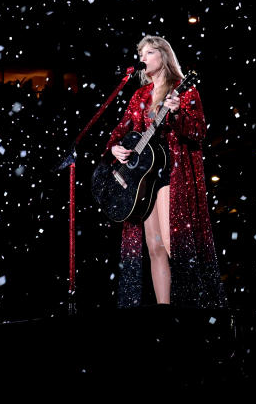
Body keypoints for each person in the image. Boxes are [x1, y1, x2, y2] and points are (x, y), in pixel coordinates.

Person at [104, 35, 227, 308]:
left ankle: (193, 308)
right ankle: (164, 311)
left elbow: (199, 131)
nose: (142, 59)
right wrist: (115, 148)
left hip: (172, 172)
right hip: (144, 180)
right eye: (141, 54)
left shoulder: (183, 90)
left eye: (148, 53)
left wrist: (179, 113)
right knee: (154, 247)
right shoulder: (139, 96)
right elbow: (121, 130)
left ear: (163, 56)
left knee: (176, 246)